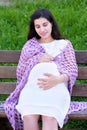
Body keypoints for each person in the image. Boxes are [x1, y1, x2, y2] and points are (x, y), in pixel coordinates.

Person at [4, 8, 87, 130]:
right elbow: (21, 71)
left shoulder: (64, 44)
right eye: (37, 26)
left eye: (45, 24)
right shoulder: (30, 46)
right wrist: (37, 59)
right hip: (32, 90)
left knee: (49, 116)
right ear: (34, 28)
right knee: (28, 116)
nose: (42, 29)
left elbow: (72, 70)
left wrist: (57, 80)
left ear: (51, 23)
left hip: (56, 89)